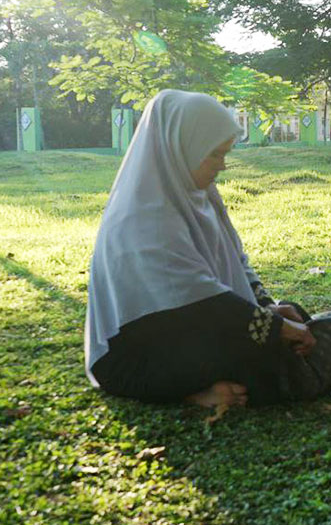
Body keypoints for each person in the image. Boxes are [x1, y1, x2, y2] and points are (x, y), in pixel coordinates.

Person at [85, 90, 317, 409]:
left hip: (190, 329)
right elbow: (197, 302)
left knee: (288, 321)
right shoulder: (139, 217)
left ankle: (212, 382)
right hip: (136, 353)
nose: (222, 166)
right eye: (214, 155)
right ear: (181, 147)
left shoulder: (201, 194)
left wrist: (266, 304)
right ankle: (193, 393)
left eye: (224, 154)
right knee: (258, 357)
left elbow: (236, 260)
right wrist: (276, 327)